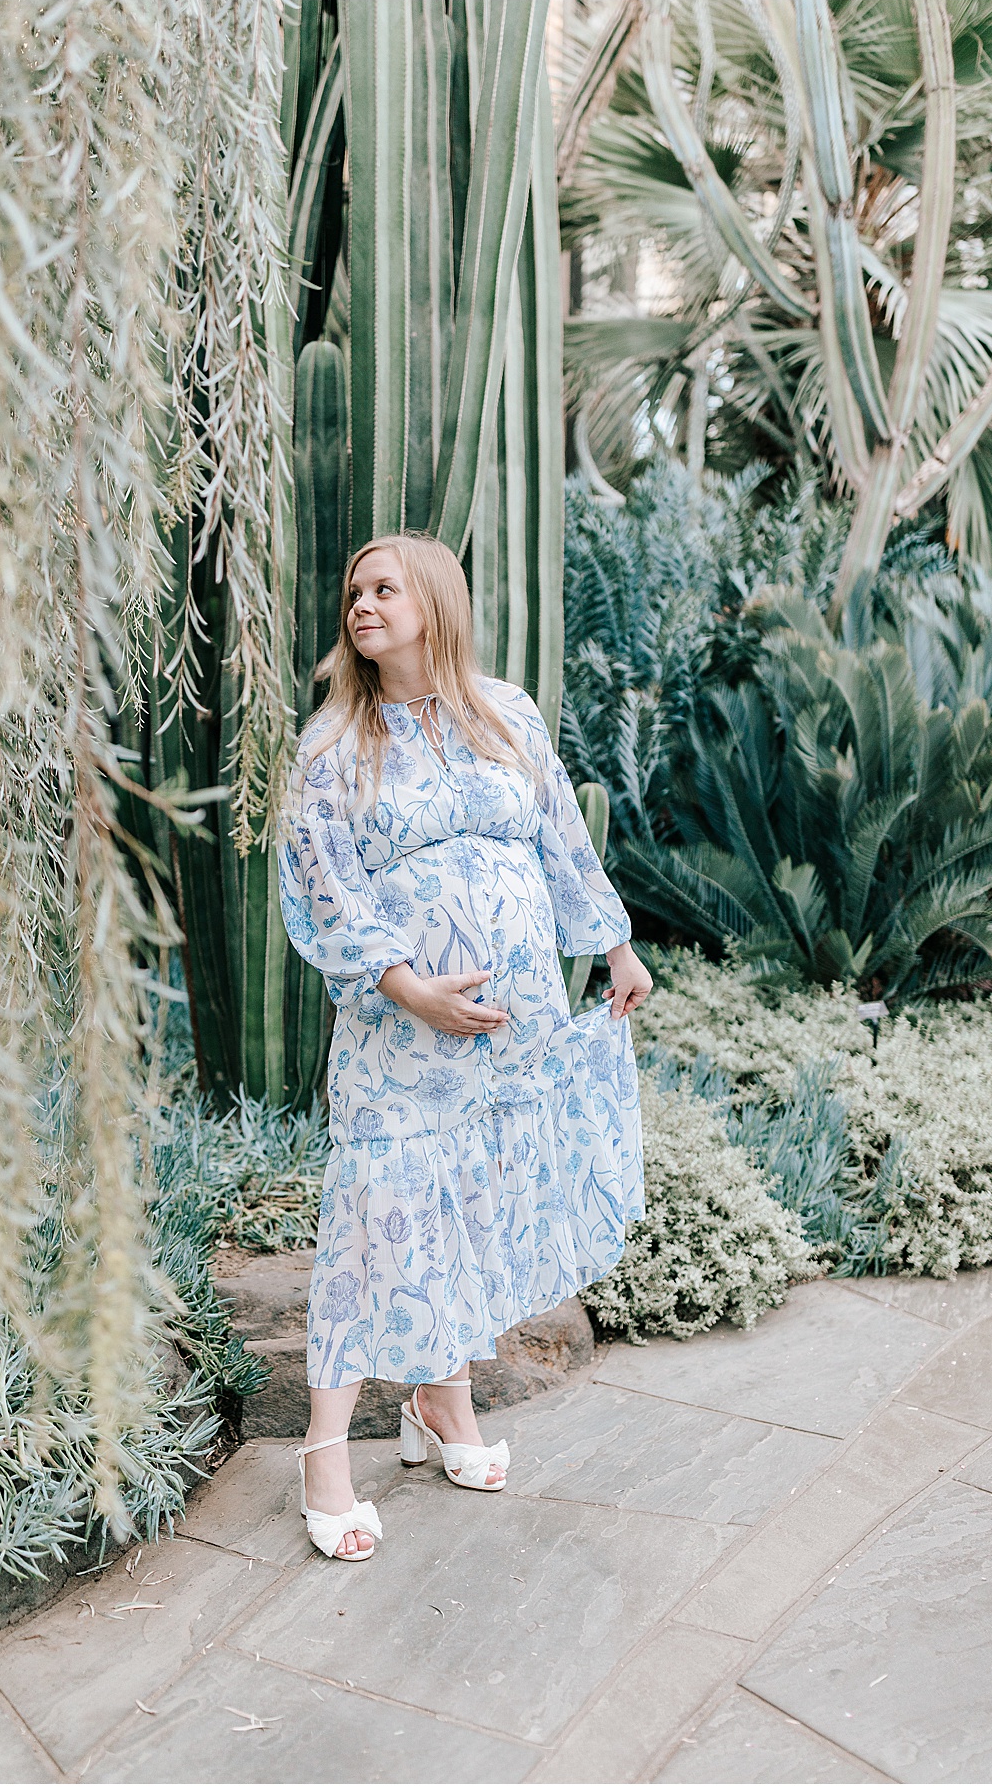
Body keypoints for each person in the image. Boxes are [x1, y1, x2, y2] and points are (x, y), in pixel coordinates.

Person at [277, 533, 650, 1561]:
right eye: (354, 590)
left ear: (434, 602)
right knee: (375, 1217)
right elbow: (326, 891)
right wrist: (407, 986)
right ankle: (323, 1450)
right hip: (403, 1035)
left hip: (507, 1035)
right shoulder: (331, 750)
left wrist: (612, 945)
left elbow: (561, 835)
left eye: (383, 587)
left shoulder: (507, 713)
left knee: (468, 1205)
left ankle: (442, 1405)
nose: (361, 604)